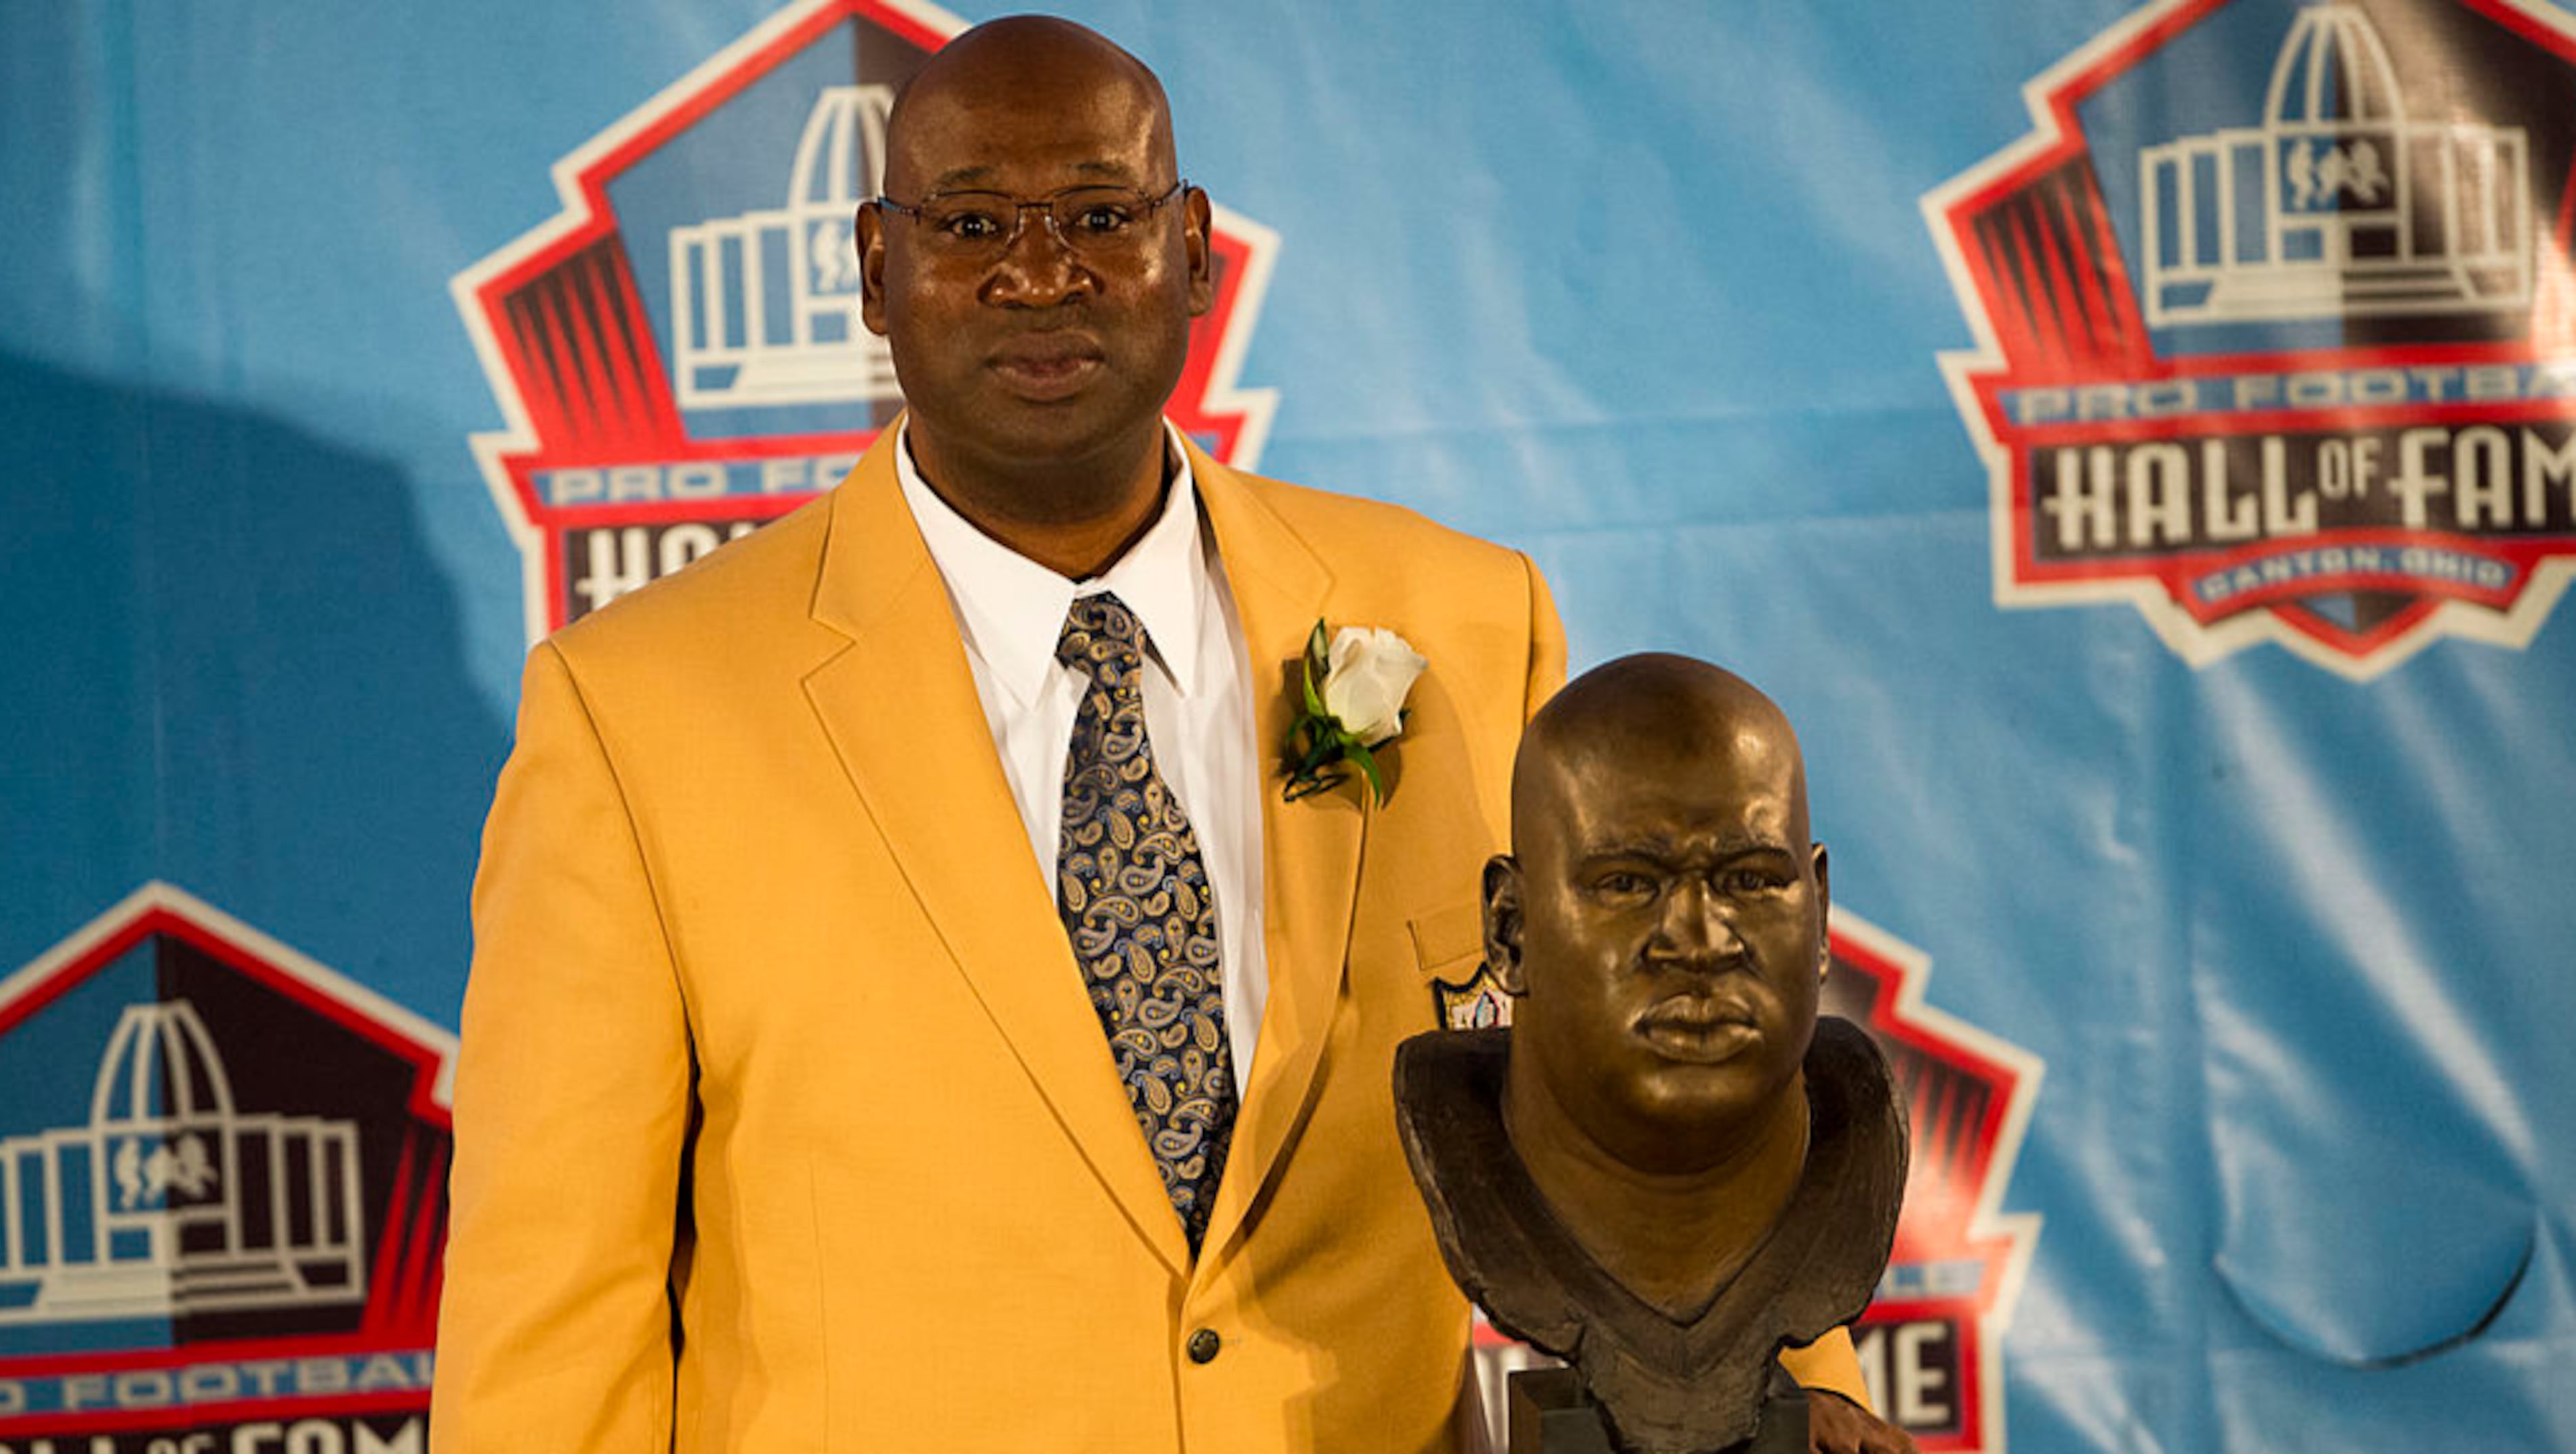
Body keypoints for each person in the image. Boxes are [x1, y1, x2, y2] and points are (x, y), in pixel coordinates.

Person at [430, 18, 1868, 1452]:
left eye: (1100, 216)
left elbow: (1654, 1098)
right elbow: (553, 1327)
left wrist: (1799, 1402)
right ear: (877, 269)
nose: (1040, 272)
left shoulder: (1465, 627)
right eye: (974, 219)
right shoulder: (639, 711)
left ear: (1191, 251)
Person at [1400, 654, 1917, 1454]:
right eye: (1628, 885)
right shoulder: (1462, 1144)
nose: (1700, 941)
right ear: (1511, 928)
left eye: (1750, 879)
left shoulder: (1855, 1134)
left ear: (1818, 916)